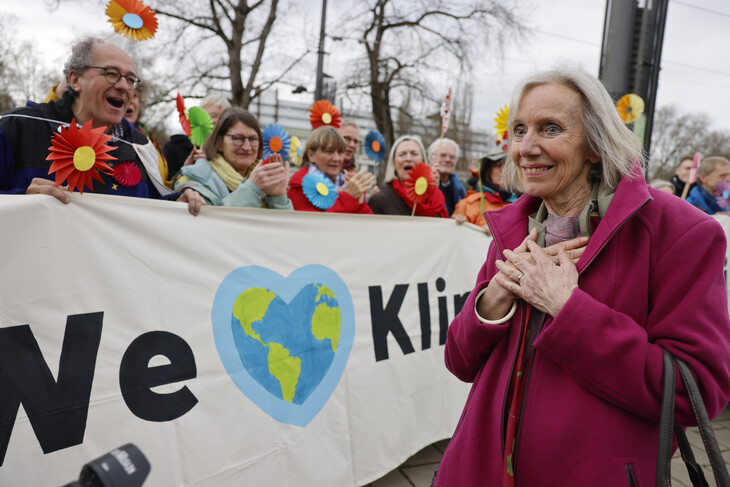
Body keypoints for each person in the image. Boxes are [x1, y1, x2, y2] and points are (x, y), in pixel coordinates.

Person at [433, 68, 730, 487]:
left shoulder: (681, 232)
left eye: (550, 128)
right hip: (482, 470)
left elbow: (695, 390)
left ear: (595, 143)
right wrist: (490, 302)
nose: (527, 147)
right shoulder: (512, 227)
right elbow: (460, 362)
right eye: (519, 130)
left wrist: (569, 310)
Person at [0, 37, 204, 215]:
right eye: (111, 73)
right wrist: (20, 200)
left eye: (130, 79)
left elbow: (151, 216)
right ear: (75, 79)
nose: (124, 86)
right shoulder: (17, 127)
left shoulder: (142, 148)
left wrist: (177, 203)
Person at [172, 107, 292, 209]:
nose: (247, 147)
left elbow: (286, 233)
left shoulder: (266, 180)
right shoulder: (196, 178)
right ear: (219, 143)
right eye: (237, 138)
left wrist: (278, 197)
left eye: (253, 139)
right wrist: (252, 190)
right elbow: (212, 225)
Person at [287, 126, 374, 214]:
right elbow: (315, 225)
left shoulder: (346, 184)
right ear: (311, 155)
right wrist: (348, 198)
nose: (336, 158)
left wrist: (361, 203)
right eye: (329, 151)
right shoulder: (299, 187)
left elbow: (369, 225)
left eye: (340, 152)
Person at [368, 135, 448, 217]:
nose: (408, 158)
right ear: (394, 163)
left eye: (414, 154)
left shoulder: (435, 199)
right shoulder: (380, 200)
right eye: (402, 154)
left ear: (423, 161)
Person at [163, 94, 232, 180]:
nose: (217, 121)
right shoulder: (175, 147)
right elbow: (167, 185)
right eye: (212, 116)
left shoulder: (233, 149)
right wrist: (186, 170)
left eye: (222, 117)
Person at [452, 155, 516, 234]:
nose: (504, 170)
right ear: (488, 172)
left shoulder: (523, 205)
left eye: (509, 165)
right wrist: (455, 225)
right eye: (498, 165)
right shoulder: (467, 204)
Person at [124, 86, 172, 188]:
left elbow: (160, 186)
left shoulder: (149, 140)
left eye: (134, 96)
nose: (130, 101)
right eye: (125, 94)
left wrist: (185, 172)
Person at [428, 137, 466, 215]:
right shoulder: (421, 185)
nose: (448, 160)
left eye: (452, 157)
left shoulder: (461, 189)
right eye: (443, 155)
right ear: (431, 158)